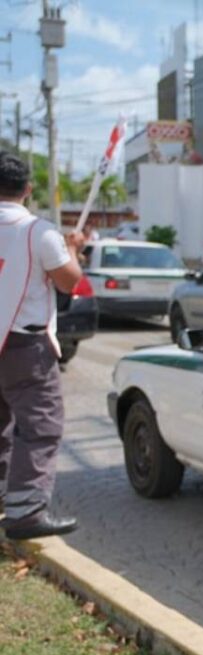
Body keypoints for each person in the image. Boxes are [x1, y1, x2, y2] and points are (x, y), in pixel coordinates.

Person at [0, 151, 84, 540]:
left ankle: (6, 497)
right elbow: (69, 281)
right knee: (39, 426)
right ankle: (26, 511)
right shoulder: (38, 231)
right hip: (25, 346)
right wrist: (74, 249)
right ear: (28, 189)